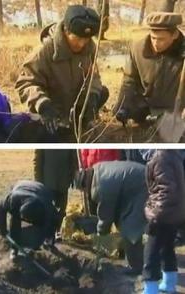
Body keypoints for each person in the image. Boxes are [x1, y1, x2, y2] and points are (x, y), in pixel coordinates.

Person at [15, 5, 109, 143]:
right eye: (77, 39)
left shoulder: (90, 48)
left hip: (75, 107)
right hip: (52, 110)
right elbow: (25, 83)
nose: (82, 44)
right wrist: (43, 104)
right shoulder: (43, 51)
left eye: (86, 39)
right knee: (50, 138)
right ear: (66, 30)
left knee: (102, 92)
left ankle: (78, 125)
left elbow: (93, 77)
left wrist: (91, 98)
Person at [74, 160, 148, 275]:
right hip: (139, 181)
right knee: (127, 224)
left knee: (130, 227)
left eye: (83, 190)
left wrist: (101, 232)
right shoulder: (97, 169)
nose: (85, 192)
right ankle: (139, 260)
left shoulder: (100, 187)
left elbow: (106, 215)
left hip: (143, 186)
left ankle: (135, 267)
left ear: (85, 183)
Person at [115, 13, 184, 127]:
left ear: (175, 35)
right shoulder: (138, 48)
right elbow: (130, 79)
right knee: (126, 112)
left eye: (161, 39)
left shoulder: (182, 50)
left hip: (175, 107)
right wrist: (123, 105)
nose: (156, 43)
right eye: (153, 38)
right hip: (145, 104)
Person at [141, 150, 185, 294]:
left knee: (151, 252)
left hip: (163, 213)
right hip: (175, 212)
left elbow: (166, 191)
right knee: (167, 246)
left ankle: (151, 289)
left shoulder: (160, 158)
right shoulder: (172, 155)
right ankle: (169, 283)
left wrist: (151, 212)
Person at [0, 180, 59, 259]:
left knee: (45, 226)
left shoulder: (47, 207)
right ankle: (15, 249)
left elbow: (54, 220)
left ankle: (48, 239)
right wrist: (2, 229)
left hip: (41, 191)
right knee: (15, 219)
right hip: (21, 187)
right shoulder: (13, 200)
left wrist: (48, 237)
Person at [33, 149, 77, 241]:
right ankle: (47, 233)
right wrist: (38, 182)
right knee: (47, 209)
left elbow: (73, 160)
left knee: (62, 208)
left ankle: (57, 231)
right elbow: (38, 162)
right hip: (47, 182)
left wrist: (72, 177)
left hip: (63, 182)